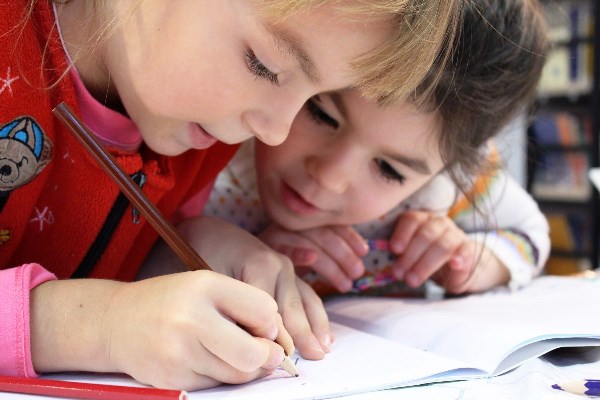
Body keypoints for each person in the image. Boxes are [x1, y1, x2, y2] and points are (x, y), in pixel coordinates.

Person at [0, 0, 462, 391]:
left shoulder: (198, 133)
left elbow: (94, 260)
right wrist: (102, 326)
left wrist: (184, 250)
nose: (277, 132)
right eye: (266, 66)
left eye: (314, 97)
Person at [203, 0, 550, 297]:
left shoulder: (449, 190)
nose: (329, 177)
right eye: (321, 115)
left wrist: (475, 260)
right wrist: (224, 253)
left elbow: (531, 233)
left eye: (389, 170)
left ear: (449, 169)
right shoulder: (212, 144)